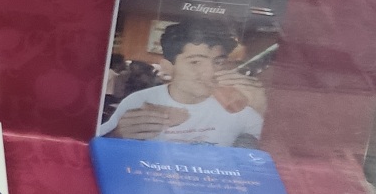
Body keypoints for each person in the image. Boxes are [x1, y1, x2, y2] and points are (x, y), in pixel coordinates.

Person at [99, 19, 266, 146]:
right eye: (195, 62)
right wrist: (117, 135)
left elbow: (273, 154)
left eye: (218, 62)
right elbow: (98, 144)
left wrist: (262, 109)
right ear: (168, 67)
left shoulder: (236, 106)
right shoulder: (139, 101)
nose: (210, 72)